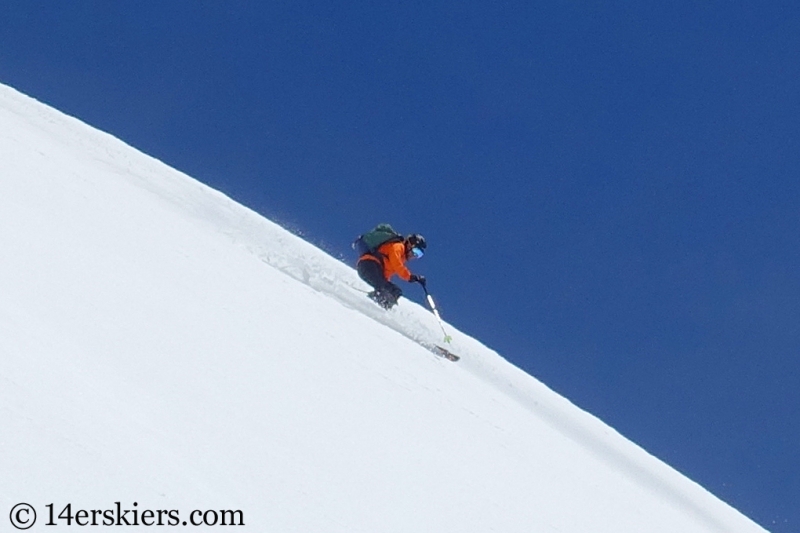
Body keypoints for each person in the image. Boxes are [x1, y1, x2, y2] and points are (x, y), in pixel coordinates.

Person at [357, 232, 427, 309]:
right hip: (368, 265)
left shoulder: (402, 257)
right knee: (389, 289)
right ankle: (371, 305)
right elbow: (397, 265)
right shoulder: (398, 247)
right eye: (416, 251)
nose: (415, 255)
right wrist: (410, 277)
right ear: (410, 244)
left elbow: (385, 274)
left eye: (419, 254)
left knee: (395, 291)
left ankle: (377, 306)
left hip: (371, 268)